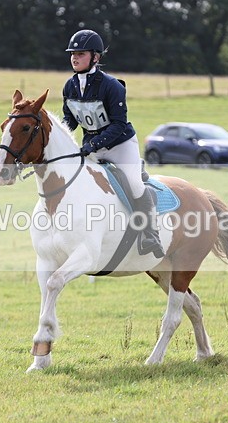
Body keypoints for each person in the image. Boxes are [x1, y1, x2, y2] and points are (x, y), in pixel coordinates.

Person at [61, 29, 164, 258]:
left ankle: (151, 234)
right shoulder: (70, 86)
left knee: (135, 185)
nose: (75, 58)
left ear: (95, 57)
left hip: (120, 145)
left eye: (81, 53)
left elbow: (118, 125)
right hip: (91, 146)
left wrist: (93, 144)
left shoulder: (111, 86)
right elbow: (70, 121)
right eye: (72, 54)